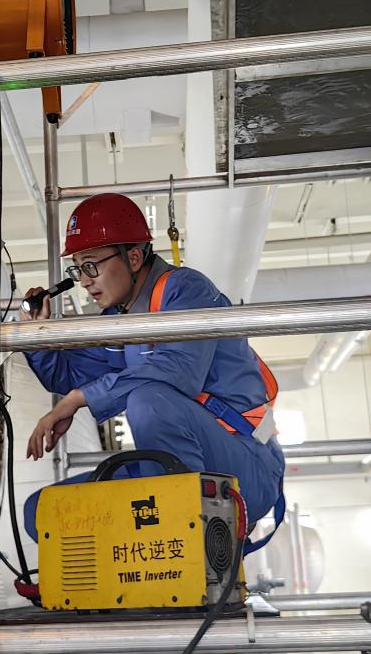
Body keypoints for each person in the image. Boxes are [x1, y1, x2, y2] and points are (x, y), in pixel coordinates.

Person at [21, 193, 285, 551]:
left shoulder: (186, 291)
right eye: (78, 269)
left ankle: (191, 547)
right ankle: (147, 565)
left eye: (91, 266)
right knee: (45, 512)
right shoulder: (120, 321)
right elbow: (68, 376)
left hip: (246, 466)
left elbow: (179, 370)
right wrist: (37, 336)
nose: (84, 281)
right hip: (177, 469)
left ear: (133, 257)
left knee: (148, 401)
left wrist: (80, 399)